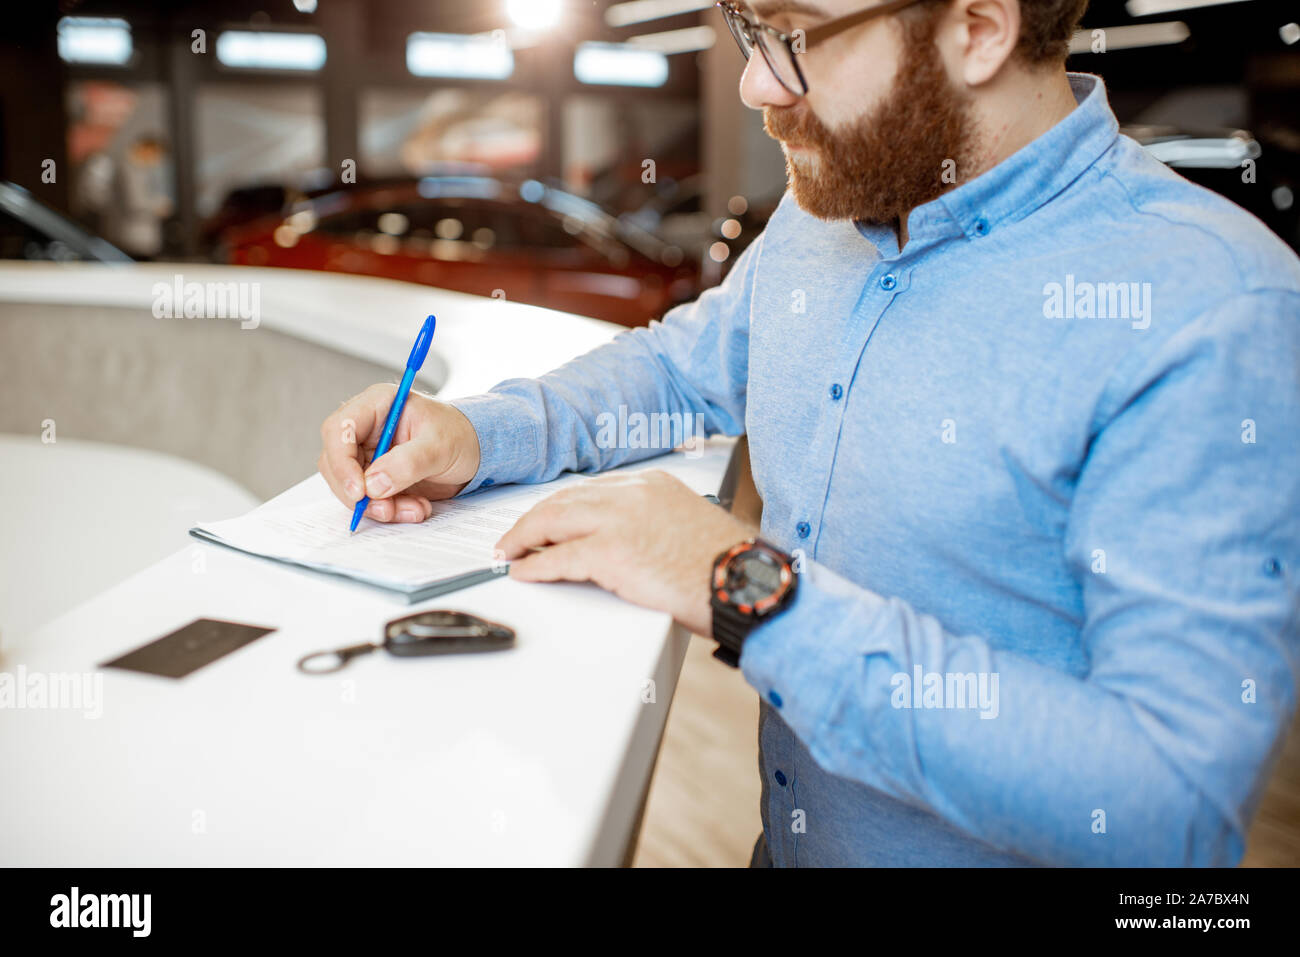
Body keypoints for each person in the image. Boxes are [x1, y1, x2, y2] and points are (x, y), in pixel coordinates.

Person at [318, 0, 1300, 866]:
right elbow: (677, 368)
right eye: (746, 27)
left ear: (977, 26)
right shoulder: (823, 209)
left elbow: (1164, 809)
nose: (753, 81)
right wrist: (476, 434)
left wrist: (744, 588)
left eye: (789, 32)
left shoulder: (1212, 308)